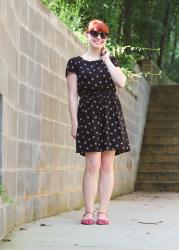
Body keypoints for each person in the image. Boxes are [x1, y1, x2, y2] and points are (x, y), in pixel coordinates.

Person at [65, 19, 130, 225]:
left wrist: (107, 59)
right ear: (87, 34)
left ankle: (103, 211)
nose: (99, 38)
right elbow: (72, 95)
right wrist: (74, 122)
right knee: (92, 164)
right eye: (95, 33)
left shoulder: (111, 60)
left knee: (107, 165)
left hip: (110, 113)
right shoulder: (75, 63)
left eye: (103, 35)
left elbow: (120, 82)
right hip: (88, 114)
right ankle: (88, 211)